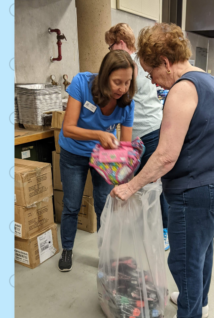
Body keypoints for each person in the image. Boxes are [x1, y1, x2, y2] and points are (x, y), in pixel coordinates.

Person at [110, 23, 214, 318]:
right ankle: (199, 303)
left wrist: (131, 186)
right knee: (202, 250)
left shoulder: (182, 89)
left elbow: (165, 156)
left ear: (166, 61)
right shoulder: (206, 79)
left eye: (152, 72)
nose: (151, 80)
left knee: (182, 257)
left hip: (198, 189)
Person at [57, 50, 136, 272]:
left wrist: (124, 176)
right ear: (104, 77)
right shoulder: (82, 83)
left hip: (105, 158)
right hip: (74, 153)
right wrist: (99, 135)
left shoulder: (127, 103)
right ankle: (67, 249)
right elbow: (69, 128)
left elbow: (125, 145)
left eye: (128, 82)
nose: (122, 88)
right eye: (117, 82)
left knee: (105, 206)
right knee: (72, 204)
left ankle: (106, 256)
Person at [106, 23, 170, 251]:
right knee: (138, 183)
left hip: (148, 132)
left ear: (121, 43)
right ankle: (147, 224)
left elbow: (123, 97)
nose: (110, 51)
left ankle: (163, 230)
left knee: (151, 181)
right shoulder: (134, 64)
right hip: (138, 134)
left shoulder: (133, 65)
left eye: (110, 46)